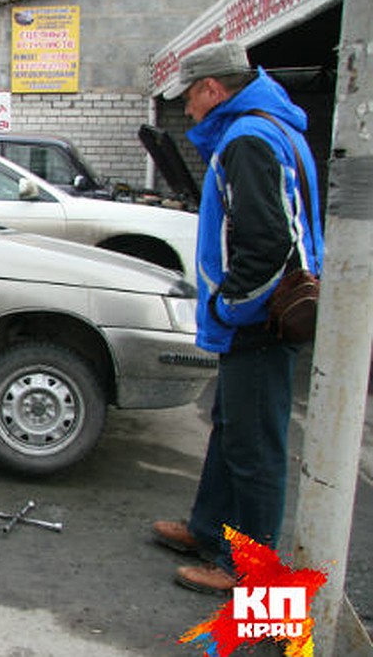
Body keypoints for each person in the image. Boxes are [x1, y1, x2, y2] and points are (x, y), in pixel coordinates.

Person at [151, 41, 324, 594]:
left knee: (254, 449)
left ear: (212, 89)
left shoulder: (249, 138)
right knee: (231, 433)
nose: (189, 112)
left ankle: (246, 568)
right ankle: (207, 531)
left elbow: (268, 243)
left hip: (259, 322)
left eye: (191, 100)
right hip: (257, 321)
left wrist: (230, 305)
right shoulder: (263, 129)